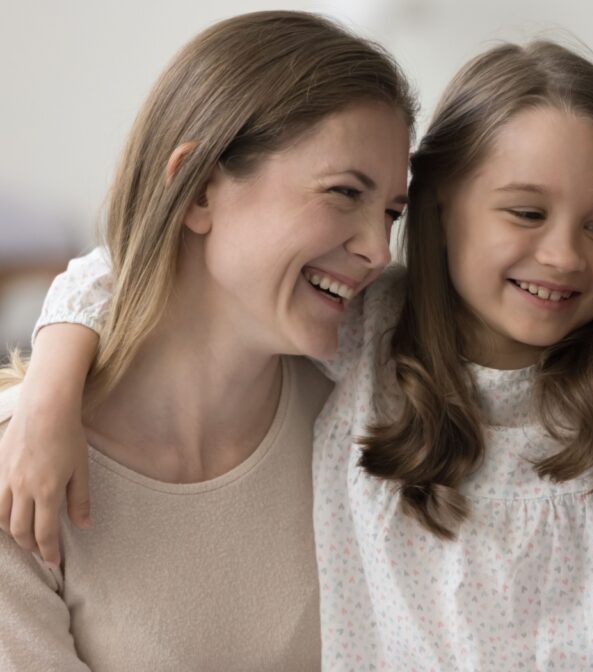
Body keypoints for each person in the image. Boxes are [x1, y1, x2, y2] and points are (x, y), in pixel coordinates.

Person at [2, 44, 593, 671]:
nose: (562, 257)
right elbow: (136, 266)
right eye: (522, 213)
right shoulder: (365, 333)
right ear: (435, 209)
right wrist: (50, 384)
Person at [0, 10, 414, 670]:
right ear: (197, 191)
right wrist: (47, 388)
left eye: (392, 213)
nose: (376, 250)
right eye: (343, 193)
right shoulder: (23, 472)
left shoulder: (366, 412)